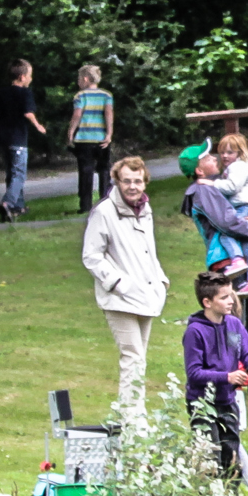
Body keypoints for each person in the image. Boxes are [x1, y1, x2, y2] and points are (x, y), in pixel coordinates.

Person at [81, 156, 169, 427]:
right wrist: (118, 283)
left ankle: (136, 414)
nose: (133, 186)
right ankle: (131, 419)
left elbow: (148, 250)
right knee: (131, 356)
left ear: (145, 182)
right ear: (117, 181)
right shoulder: (105, 211)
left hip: (147, 295)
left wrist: (160, 279)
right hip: (119, 299)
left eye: (138, 181)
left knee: (140, 358)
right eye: (127, 181)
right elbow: (91, 256)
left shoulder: (145, 208)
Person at [182, 151, 248, 395]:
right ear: (199, 170)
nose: (215, 158)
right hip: (228, 263)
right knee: (237, 321)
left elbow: (238, 213)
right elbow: (226, 222)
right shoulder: (202, 191)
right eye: (207, 157)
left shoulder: (215, 188)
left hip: (243, 260)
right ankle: (234, 382)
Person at [183, 272, 248, 485]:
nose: (231, 301)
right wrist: (227, 377)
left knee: (231, 456)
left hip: (228, 402)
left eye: (231, 295)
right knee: (210, 457)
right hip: (202, 403)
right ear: (207, 302)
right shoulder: (195, 332)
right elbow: (194, 373)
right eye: (224, 297)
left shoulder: (234, 324)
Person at [0, 58, 47, 219]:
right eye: (30, 76)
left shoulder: (2, 92)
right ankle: (8, 203)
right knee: (19, 174)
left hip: (2, 137)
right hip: (17, 138)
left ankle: (18, 207)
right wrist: (38, 125)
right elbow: (28, 113)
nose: (31, 79)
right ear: (22, 77)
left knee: (11, 174)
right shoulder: (25, 93)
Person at [69, 63, 117, 215]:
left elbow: (77, 115)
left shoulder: (80, 96)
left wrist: (71, 132)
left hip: (84, 139)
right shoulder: (106, 95)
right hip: (101, 138)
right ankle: (106, 200)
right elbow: (109, 114)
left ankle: (85, 204)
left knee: (85, 171)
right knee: (104, 170)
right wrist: (109, 134)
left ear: (85, 78)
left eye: (79, 79)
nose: (78, 82)